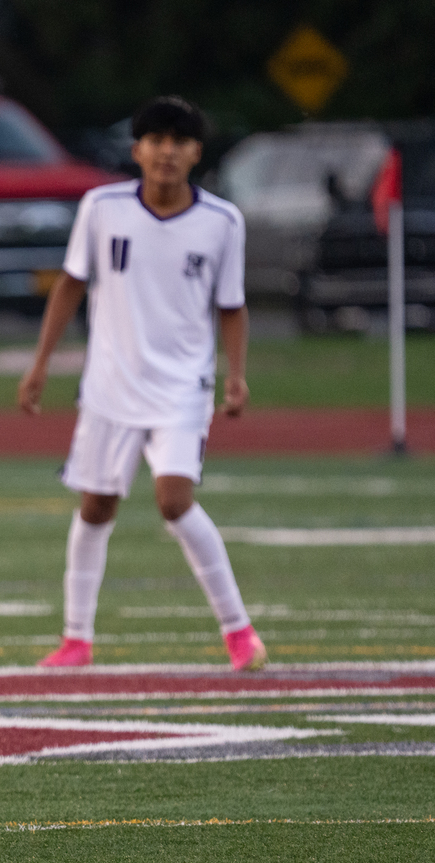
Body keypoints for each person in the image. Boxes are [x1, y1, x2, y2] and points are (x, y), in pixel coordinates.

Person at [18, 95, 267, 672]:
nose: (166, 152)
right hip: (109, 387)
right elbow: (71, 285)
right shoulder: (102, 207)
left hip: (183, 388)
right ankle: (76, 639)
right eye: (155, 140)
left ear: (196, 153)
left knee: (174, 501)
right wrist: (40, 365)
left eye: (178, 141)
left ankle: (239, 633)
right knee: (97, 505)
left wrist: (237, 376)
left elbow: (232, 306)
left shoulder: (222, 221)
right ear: (137, 150)